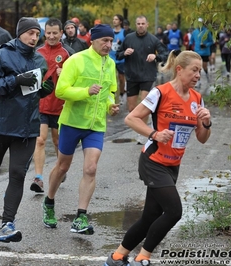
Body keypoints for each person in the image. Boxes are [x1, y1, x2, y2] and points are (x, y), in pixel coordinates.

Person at [104, 50, 211, 266]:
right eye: (194, 70)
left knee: (150, 216)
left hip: (173, 164)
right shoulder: (160, 93)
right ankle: (143, 257)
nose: (198, 75)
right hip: (154, 161)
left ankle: (117, 257)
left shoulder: (197, 98)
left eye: (200, 71)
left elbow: (202, 138)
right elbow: (131, 118)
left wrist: (207, 122)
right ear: (179, 70)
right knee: (174, 211)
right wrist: (155, 134)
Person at [0, 17, 54, 243]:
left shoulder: (40, 61)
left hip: (27, 127)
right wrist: (16, 80)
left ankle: (7, 224)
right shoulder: (1, 55)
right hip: (1, 125)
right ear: (20, 33)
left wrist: (45, 89)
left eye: (37, 34)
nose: (35, 38)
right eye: (30, 33)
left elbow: (33, 92)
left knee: (17, 174)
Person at [42, 24, 120, 234]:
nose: (108, 45)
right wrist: (86, 91)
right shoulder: (76, 60)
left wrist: (110, 105)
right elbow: (61, 90)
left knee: (91, 168)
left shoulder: (111, 64)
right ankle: (49, 202)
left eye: (111, 41)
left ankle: (81, 217)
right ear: (92, 41)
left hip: (95, 126)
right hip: (71, 123)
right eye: (104, 40)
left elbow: (110, 92)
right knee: (63, 166)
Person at [30, 18, 75, 193]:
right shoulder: (37, 52)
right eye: (48, 33)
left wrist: (65, 74)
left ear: (61, 33)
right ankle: (38, 178)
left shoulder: (68, 53)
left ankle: (60, 170)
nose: (51, 36)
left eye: (55, 33)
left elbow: (77, 78)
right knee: (40, 140)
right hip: (40, 104)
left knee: (58, 142)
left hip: (60, 105)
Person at [116, 15, 168, 144]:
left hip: (147, 76)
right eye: (138, 23)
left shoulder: (153, 39)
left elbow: (165, 54)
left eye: (142, 23)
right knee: (132, 108)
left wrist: (155, 57)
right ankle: (139, 129)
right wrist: (124, 53)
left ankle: (144, 134)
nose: (140, 25)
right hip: (132, 76)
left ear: (147, 24)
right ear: (136, 24)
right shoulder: (128, 38)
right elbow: (118, 54)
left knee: (144, 105)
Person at [189, 18, 213, 86]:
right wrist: (190, 45)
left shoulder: (207, 31)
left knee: (204, 66)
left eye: (200, 23)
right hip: (197, 51)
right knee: (197, 67)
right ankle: (198, 81)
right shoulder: (194, 32)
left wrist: (206, 45)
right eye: (198, 23)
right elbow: (191, 40)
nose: (199, 24)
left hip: (205, 51)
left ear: (203, 23)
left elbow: (211, 41)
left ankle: (207, 75)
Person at [110, 14, 127, 105]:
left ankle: (121, 94)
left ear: (120, 21)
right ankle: (111, 95)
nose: (114, 21)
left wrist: (121, 43)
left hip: (120, 59)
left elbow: (127, 44)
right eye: (113, 19)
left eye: (116, 19)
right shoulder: (110, 32)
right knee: (110, 79)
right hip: (110, 58)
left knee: (121, 79)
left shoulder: (124, 32)